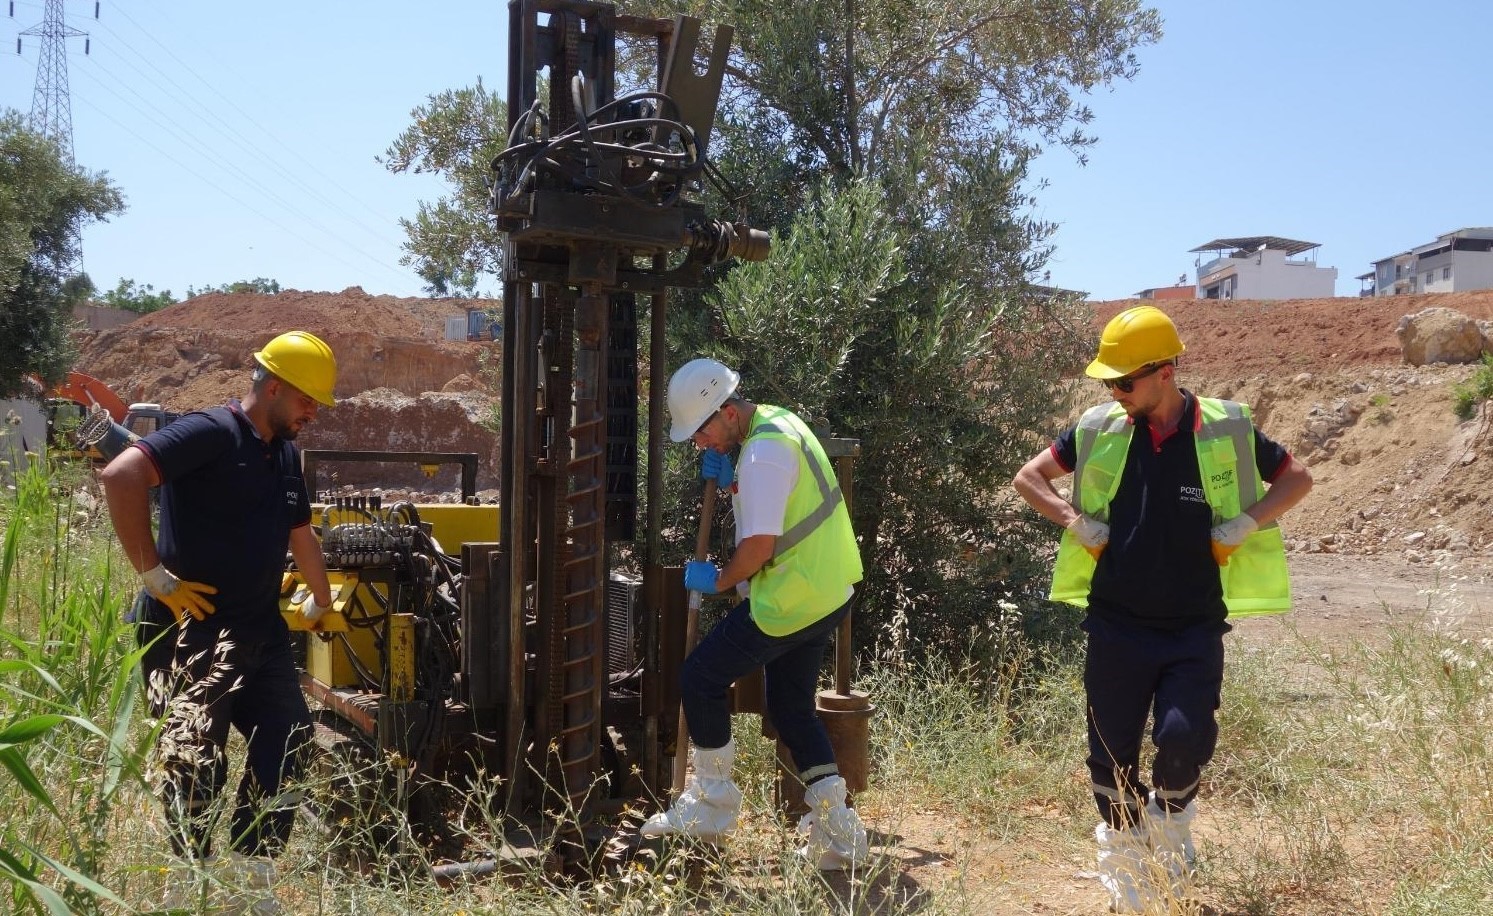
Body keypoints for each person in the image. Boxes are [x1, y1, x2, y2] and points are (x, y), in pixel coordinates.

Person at [1012, 306, 1313, 912]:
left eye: (1123, 382)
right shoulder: (1098, 428)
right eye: (1108, 383)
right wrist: (1076, 522)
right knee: (1110, 754)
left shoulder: (1226, 428)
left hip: (1193, 628)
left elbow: (1298, 478)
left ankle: (1171, 833)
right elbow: (1029, 478)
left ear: (1165, 371)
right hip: (1116, 624)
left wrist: (1246, 523)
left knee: (1184, 741)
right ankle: (1124, 858)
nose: (1113, 393)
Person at [100, 330, 339, 908]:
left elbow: (300, 533)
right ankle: (192, 886)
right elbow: (121, 474)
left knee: (289, 744)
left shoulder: (281, 453)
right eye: (308, 400)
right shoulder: (209, 432)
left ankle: (252, 882)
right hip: (190, 633)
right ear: (274, 387)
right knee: (196, 762)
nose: (313, 413)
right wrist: (155, 577)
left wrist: (323, 601)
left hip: (260, 632)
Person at [641, 357, 870, 869]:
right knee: (790, 709)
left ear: (725, 411)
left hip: (790, 597)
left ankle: (713, 808)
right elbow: (783, 505)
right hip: (827, 591)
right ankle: (840, 834)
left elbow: (760, 546)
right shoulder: (776, 422)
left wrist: (719, 581)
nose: (699, 443)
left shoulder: (762, 452)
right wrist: (732, 485)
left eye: (701, 432)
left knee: (699, 677)